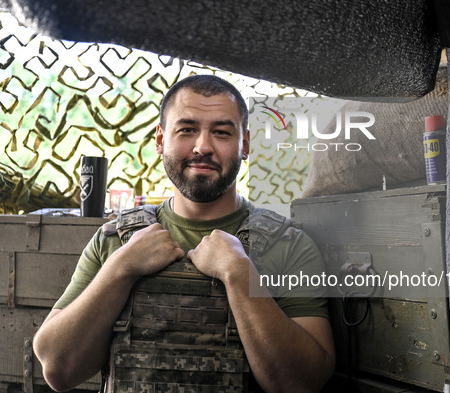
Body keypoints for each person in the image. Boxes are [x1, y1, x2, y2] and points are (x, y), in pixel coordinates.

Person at [33, 74, 336, 393]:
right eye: (187, 129)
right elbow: (58, 370)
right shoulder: (115, 240)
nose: (203, 146)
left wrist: (238, 272)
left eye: (221, 132)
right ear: (160, 140)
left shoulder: (288, 245)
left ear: (244, 145)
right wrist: (121, 269)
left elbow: (303, 383)